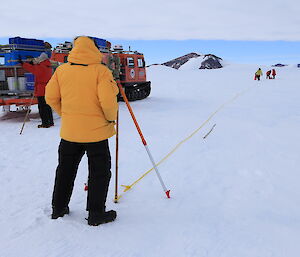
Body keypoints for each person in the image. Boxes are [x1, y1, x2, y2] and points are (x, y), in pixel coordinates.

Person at [45, 36, 119, 226]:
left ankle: (58, 208)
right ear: (94, 50)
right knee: (99, 172)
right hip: (97, 134)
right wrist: (110, 119)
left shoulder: (61, 70)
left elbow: (50, 97)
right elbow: (108, 102)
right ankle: (96, 213)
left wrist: (67, 115)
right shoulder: (101, 71)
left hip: (70, 133)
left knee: (65, 171)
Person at [19, 53, 54, 128]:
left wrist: (23, 63)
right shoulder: (48, 66)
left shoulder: (41, 66)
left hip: (41, 89)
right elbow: (35, 67)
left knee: (42, 107)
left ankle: (45, 123)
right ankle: (50, 122)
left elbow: (32, 69)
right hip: (48, 89)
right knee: (47, 106)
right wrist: (33, 63)